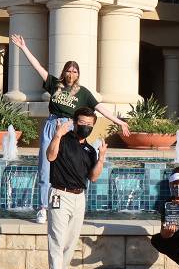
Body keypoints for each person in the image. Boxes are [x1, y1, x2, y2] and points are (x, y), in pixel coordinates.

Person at [9, 34, 129, 225]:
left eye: (74, 71)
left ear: (78, 74)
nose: (71, 74)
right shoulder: (55, 84)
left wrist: (120, 122)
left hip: (70, 128)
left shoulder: (83, 93)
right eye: (68, 71)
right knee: (45, 167)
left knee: (67, 166)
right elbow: (37, 67)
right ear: (64, 72)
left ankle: (69, 206)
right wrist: (24, 48)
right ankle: (42, 208)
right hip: (52, 126)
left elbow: (100, 108)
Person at [45, 107, 106, 269]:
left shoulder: (89, 150)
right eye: (82, 123)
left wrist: (102, 157)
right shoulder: (63, 138)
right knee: (57, 239)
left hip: (79, 197)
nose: (85, 127)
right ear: (75, 121)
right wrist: (56, 136)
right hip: (60, 194)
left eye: (89, 124)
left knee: (71, 240)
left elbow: (93, 178)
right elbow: (50, 157)